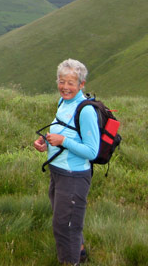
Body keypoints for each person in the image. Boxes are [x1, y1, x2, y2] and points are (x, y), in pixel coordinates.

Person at [33, 59, 99, 265]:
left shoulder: (85, 110)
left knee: (65, 226)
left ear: (82, 84)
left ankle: (70, 262)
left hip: (74, 176)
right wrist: (46, 143)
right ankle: (79, 253)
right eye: (62, 81)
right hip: (58, 172)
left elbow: (92, 151)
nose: (65, 87)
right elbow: (62, 131)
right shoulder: (63, 103)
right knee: (66, 221)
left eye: (71, 82)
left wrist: (63, 141)